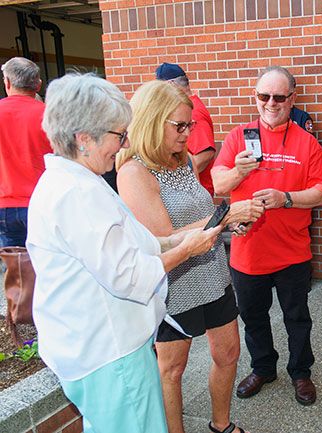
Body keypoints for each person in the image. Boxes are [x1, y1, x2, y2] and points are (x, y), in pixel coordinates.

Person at [26, 73, 222, 433]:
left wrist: (172, 243)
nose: (124, 143)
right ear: (84, 139)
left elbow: (133, 244)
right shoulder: (77, 194)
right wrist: (187, 248)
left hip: (100, 349)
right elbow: (130, 275)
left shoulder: (75, 182)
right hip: (110, 353)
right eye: (118, 135)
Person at [116, 80, 262, 433]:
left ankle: (221, 424)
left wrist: (227, 225)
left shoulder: (180, 160)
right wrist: (226, 216)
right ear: (151, 121)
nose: (188, 134)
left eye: (190, 125)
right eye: (179, 126)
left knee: (228, 355)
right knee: (172, 371)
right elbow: (163, 238)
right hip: (173, 286)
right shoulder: (134, 172)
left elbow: (198, 212)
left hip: (211, 275)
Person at [211, 66, 322, 406]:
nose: (271, 103)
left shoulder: (306, 142)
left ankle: (300, 372)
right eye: (264, 96)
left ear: (292, 99)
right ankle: (263, 367)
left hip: (292, 252)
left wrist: (286, 199)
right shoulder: (239, 137)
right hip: (248, 252)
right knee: (253, 318)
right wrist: (238, 171)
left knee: (297, 318)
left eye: (279, 97)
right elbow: (217, 184)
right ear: (256, 97)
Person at [0, 57, 51, 247]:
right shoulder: (50, 116)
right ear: (38, 85)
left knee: (16, 269)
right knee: (47, 265)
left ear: (7, 82)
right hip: (43, 202)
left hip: (4, 204)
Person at [156, 62, 217, 196]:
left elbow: (206, 154)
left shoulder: (192, 112)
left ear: (171, 85)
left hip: (195, 194)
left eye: (161, 88)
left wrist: (177, 179)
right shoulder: (188, 108)